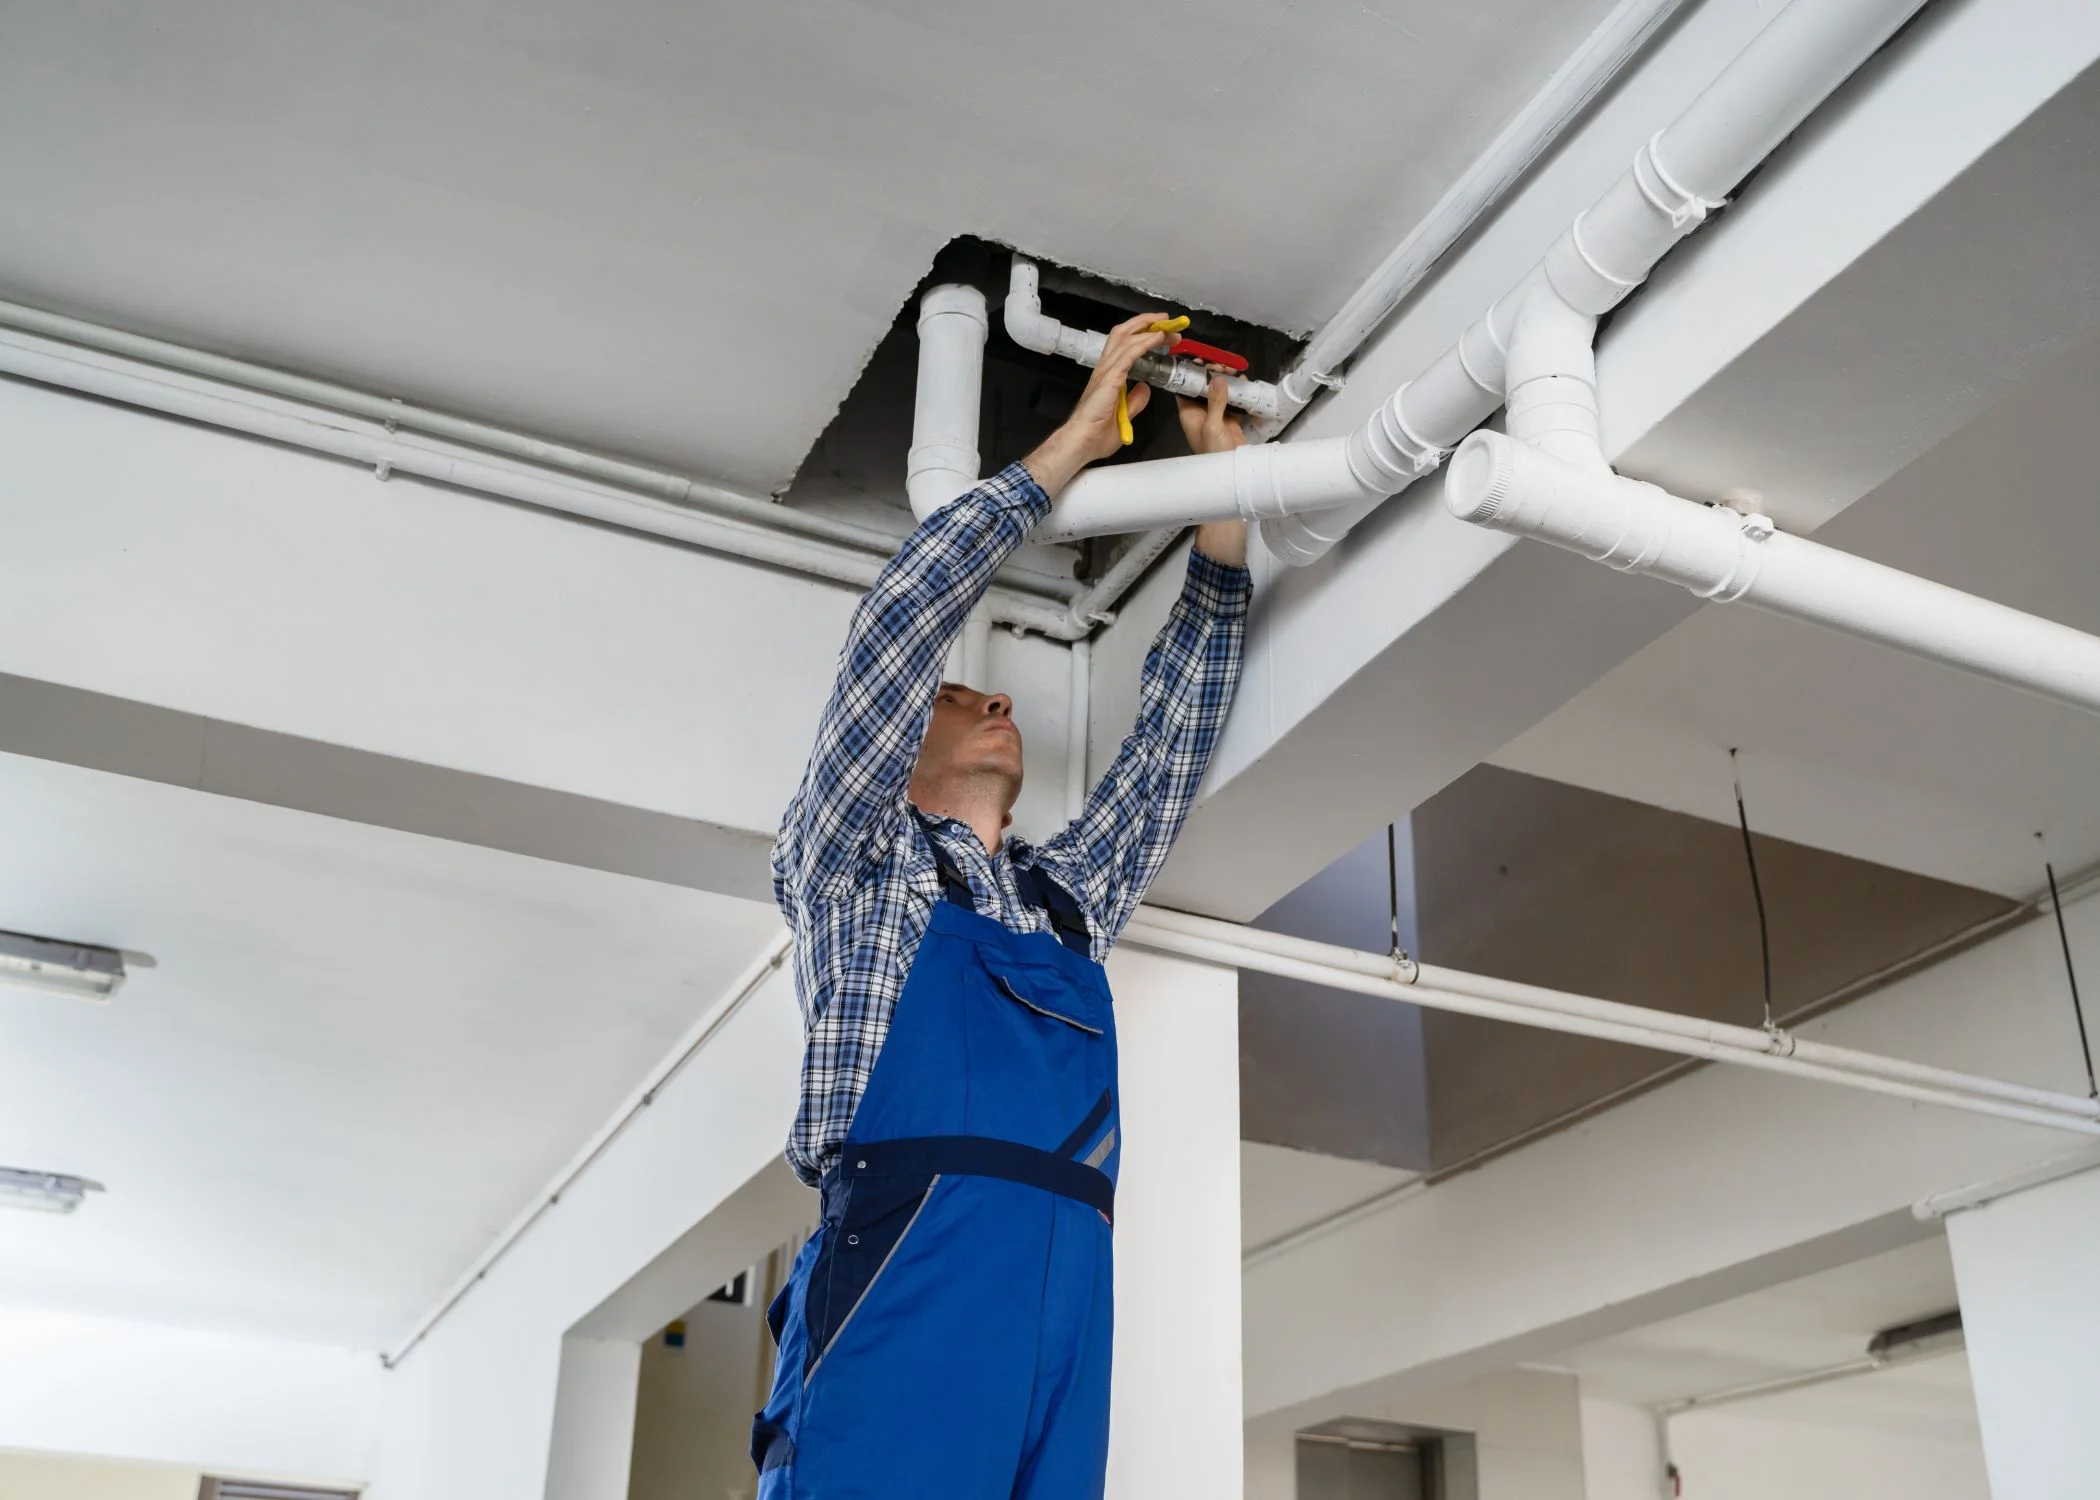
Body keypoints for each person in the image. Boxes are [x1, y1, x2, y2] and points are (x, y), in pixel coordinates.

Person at [754, 311, 1250, 1498]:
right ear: (896, 754)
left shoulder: (1064, 904)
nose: (997, 704)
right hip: (908, 1274)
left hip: (1068, 1294)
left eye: (996, 698)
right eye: (958, 697)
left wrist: (1226, 504)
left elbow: (1171, 748)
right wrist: (1076, 444)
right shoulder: (854, 865)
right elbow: (899, 624)